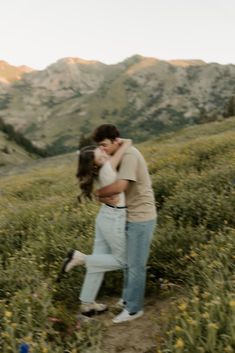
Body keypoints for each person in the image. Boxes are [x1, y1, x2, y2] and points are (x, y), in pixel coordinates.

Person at [60, 138, 132, 316]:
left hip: (105, 217)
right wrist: (123, 143)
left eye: (101, 149)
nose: (103, 151)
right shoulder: (106, 168)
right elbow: (126, 145)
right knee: (124, 261)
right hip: (114, 218)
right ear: (95, 162)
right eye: (99, 152)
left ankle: (87, 304)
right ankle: (80, 258)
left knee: (98, 263)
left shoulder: (101, 170)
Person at [93, 124, 157, 323]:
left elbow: (120, 186)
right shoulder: (119, 154)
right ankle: (128, 298)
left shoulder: (129, 155)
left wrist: (98, 194)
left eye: (104, 145)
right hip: (130, 215)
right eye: (99, 146)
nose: (102, 149)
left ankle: (133, 309)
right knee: (129, 263)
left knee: (136, 265)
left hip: (141, 216)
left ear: (115, 141)